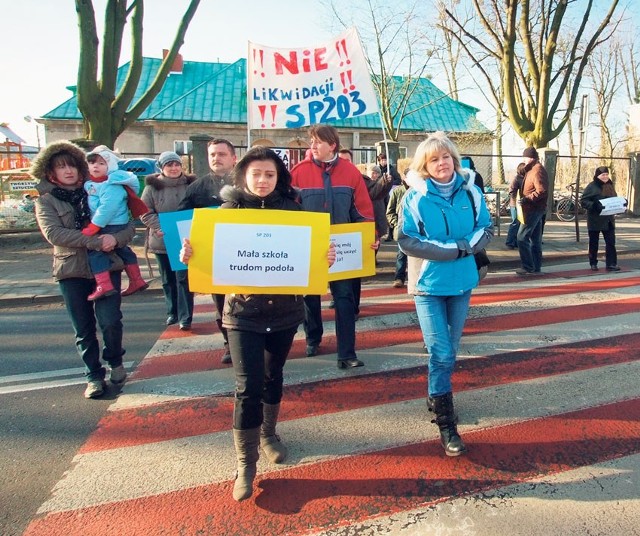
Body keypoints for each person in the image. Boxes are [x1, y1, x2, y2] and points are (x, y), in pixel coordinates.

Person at [180, 147, 336, 502]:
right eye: (256, 174)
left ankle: (268, 434)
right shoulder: (224, 214)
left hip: (284, 313)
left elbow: (312, 262)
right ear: (243, 177)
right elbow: (204, 262)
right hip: (242, 313)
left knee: (272, 376)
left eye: (270, 174)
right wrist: (191, 254)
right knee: (247, 386)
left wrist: (325, 256)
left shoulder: (295, 213)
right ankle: (245, 463)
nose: (263, 181)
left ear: (278, 177)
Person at [398, 132, 493, 456]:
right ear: (425, 165)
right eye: (434, 159)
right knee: (441, 353)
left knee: (450, 350)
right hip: (428, 286)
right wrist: (454, 249)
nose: (442, 163)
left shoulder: (472, 192)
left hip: (463, 282)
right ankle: (446, 422)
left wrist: (467, 246)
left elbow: (486, 227)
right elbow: (407, 240)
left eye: (446, 157)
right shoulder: (415, 198)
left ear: (455, 159)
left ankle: (434, 392)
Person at [31, 141, 134, 399]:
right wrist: (93, 240)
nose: (68, 171)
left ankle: (115, 361)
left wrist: (116, 240)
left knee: (111, 321)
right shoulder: (46, 201)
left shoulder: (100, 189)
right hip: (72, 270)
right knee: (84, 328)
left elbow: (128, 224)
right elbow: (55, 233)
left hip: (107, 264)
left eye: (72, 165)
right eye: (60, 167)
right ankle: (93, 376)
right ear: (50, 173)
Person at [291, 124, 378, 369]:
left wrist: (371, 235)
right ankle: (313, 338)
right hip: (310, 247)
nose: (313, 146)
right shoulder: (298, 173)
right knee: (310, 297)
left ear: (332, 145)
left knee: (344, 298)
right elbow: (291, 211)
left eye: (318, 142)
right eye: (311, 142)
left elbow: (361, 209)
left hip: (343, 248)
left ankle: (347, 353)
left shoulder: (350, 173)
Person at [179, 138, 237, 363]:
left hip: (244, 257)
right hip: (214, 258)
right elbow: (182, 221)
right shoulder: (197, 187)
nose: (216, 158)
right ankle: (229, 346)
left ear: (233, 158)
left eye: (222, 154)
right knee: (221, 304)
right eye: (212, 154)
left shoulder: (246, 184)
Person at [82, 146, 149, 301]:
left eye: (101, 163)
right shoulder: (95, 183)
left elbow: (107, 208)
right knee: (123, 250)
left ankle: (103, 284)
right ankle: (136, 279)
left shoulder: (111, 185)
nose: (95, 166)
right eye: (92, 163)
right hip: (113, 222)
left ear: (110, 166)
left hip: (111, 223)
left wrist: (95, 226)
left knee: (96, 251)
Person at [140, 151, 197, 329]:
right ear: (162, 168)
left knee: (183, 279)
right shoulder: (151, 188)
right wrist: (159, 226)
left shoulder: (191, 185)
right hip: (162, 240)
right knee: (167, 280)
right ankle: (172, 312)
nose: (173, 168)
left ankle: (185, 317)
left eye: (176, 164)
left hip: (184, 240)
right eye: (169, 165)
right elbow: (144, 211)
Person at [580, 166, 621, 272]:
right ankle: (593, 262)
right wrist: (594, 205)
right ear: (598, 176)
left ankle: (611, 263)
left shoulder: (610, 185)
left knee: (611, 242)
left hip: (608, 220)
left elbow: (614, 199)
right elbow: (584, 201)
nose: (605, 177)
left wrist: (620, 204)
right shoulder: (592, 186)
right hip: (595, 220)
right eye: (603, 175)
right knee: (594, 242)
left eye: (607, 174)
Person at [516, 147, 548, 275]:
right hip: (533, 208)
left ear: (530, 158)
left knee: (521, 237)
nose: (523, 159)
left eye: (525, 157)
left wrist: (527, 199)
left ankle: (528, 266)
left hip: (533, 209)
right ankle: (536, 267)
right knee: (535, 240)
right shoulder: (533, 169)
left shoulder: (537, 170)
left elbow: (541, 190)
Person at [386, 173, 410, 287]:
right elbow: (390, 212)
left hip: (417, 229)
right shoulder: (397, 192)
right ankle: (399, 278)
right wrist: (396, 224)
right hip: (401, 228)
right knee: (401, 254)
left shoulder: (421, 190)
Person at [505, 162, 526, 249]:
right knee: (515, 223)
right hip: (515, 204)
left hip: (519, 204)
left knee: (519, 223)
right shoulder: (517, 179)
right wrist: (516, 198)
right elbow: (511, 191)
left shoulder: (523, 178)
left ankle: (515, 241)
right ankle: (510, 242)